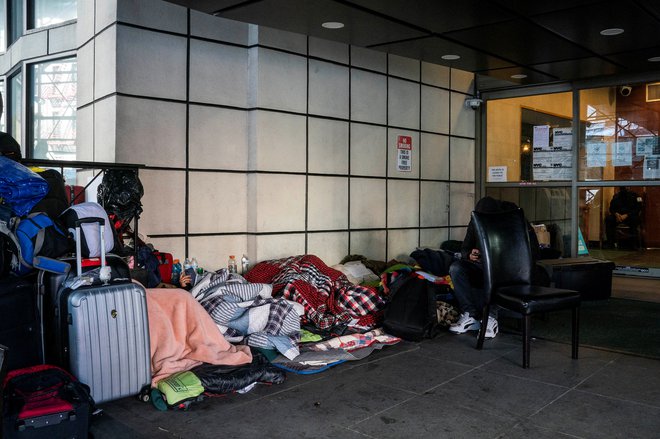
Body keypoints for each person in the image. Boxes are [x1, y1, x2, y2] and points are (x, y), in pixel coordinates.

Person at [448, 196, 541, 339]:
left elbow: (532, 251)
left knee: (495, 272)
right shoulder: (476, 220)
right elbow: (465, 247)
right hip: (481, 265)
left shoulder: (513, 219)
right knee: (456, 269)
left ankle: (491, 318)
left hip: (510, 269)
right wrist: (469, 254)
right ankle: (469, 314)